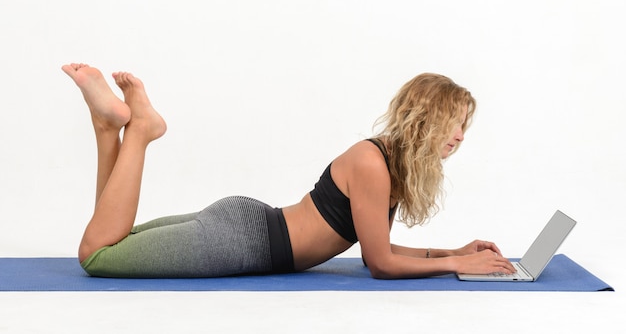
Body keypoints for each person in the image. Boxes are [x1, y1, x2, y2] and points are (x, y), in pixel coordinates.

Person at [62, 63, 515, 279]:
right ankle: (139, 130)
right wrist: (460, 264)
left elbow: (378, 246)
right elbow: (379, 264)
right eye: (453, 124)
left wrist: (450, 251)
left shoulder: (388, 164)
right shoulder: (371, 163)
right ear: (426, 120)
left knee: (110, 238)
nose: (459, 136)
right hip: (239, 243)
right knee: (97, 255)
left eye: (463, 127)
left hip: (244, 225)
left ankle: (107, 127)